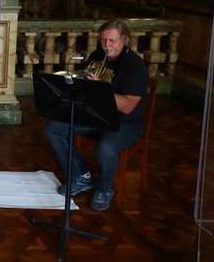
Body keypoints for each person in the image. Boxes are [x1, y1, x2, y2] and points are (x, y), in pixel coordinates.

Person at [44, 19, 148, 211]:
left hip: (125, 122)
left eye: (112, 41)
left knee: (106, 147)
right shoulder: (99, 55)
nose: (106, 45)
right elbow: (87, 87)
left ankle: (105, 189)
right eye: (103, 40)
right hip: (98, 115)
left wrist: (102, 88)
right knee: (54, 129)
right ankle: (81, 176)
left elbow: (127, 107)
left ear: (124, 40)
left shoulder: (135, 66)